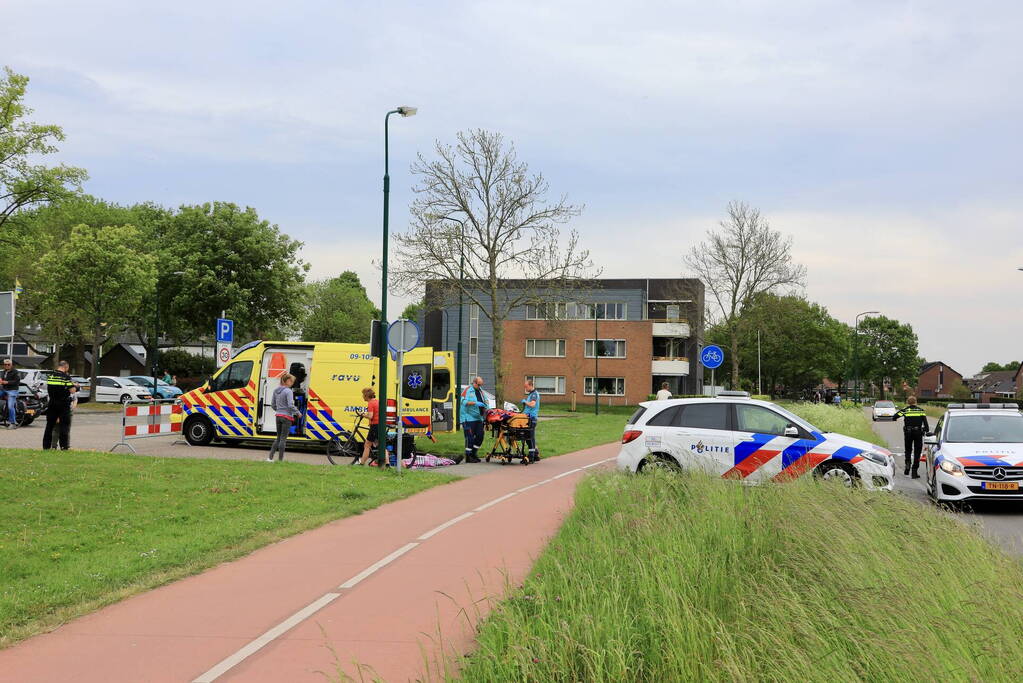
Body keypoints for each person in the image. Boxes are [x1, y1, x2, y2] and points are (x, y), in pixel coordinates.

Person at [43, 361, 77, 450]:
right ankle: (64, 446)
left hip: (52, 403)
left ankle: (46, 446)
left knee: (49, 426)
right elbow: (72, 390)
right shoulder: (66, 377)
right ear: (66, 367)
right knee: (64, 426)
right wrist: (76, 386)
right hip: (63, 404)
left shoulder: (51, 376)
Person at [266, 372, 300, 462]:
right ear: (287, 381)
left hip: (278, 416)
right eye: (291, 381)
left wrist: (279, 410)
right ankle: (280, 460)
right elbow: (290, 405)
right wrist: (297, 412)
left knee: (278, 438)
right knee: (283, 439)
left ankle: (270, 458)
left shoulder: (276, 390)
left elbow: (273, 405)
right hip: (286, 417)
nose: (292, 383)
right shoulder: (288, 391)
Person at [893, 395, 929, 478]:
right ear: (916, 402)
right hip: (918, 433)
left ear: (908, 402)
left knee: (908, 450)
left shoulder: (905, 410)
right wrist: (923, 430)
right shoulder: (921, 411)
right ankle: (914, 472)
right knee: (917, 452)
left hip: (908, 433)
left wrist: (896, 418)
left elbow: (895, 416)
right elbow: (926, 427)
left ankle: (907, 465)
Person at [460, 376, 487, 463]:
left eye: (481, 385)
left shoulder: (481, 391)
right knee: (470, 438)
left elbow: (486, 401)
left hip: (479, 418)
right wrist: (475, 403)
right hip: (468, 418)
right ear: (474, 383)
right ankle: (468, 456)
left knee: (480, 436)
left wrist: (487, 408)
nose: (480, 386)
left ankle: (473, 454)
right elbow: (463, 402)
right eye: (478, 385)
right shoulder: (467, 390)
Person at [357, 387, 379, 466]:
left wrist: (362, 414)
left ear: (366, 395)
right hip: (379, 425)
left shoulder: (370, 403)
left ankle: (362, 463)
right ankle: (386, 463)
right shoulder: (377, 401)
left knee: (367, 445)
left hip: (374, 426)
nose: (362, 396)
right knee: (380, 445)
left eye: (363, 395)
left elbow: (370, 416)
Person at [522, 378, 540, 462]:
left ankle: (531, 456)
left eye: (526, 387)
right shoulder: (531, 394)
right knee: (530, 437)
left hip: (531, 418)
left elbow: (532, 404)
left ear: (530, 385)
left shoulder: (534, 394)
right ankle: (535, 454)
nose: (525, 389)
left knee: (529, 438)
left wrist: (525, 402)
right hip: (529, 418)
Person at [1, 358, 20, 428]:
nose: (7, 366)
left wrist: (7, 382)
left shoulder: (15, 372)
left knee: (10, 406)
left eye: (8, 364)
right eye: (5, 364)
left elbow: (17, 381)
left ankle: (13, 423)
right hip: (4, 389)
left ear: (11, 365)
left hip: (12, 390)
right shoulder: (4, 372)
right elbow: (2, 380)